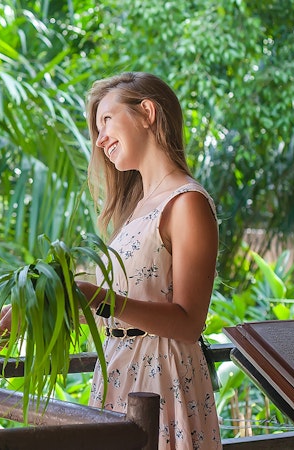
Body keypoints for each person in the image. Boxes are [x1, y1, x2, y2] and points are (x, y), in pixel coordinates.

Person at [78, 72, 221, 448]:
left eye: (107, 120)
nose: (100, 139)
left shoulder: (186, 203)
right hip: (116, 370)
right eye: (97, 129)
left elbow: (190, 323)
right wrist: (48, 306)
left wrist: (97, 296)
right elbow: (114, 308)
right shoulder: (134, 210)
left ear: (147, 112)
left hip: (163, 380)